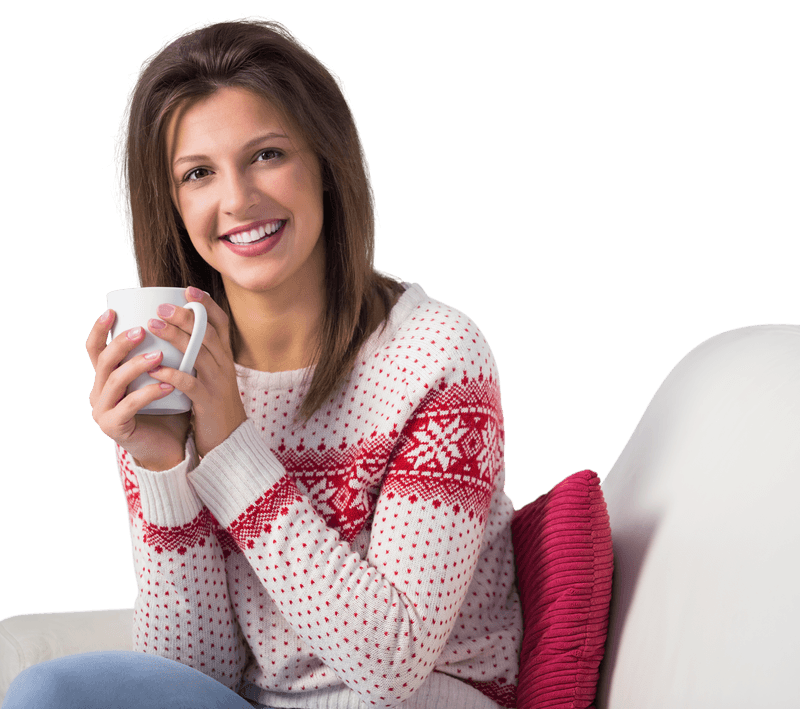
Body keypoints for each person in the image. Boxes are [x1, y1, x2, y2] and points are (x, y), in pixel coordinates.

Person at [4, 16, 521, 709]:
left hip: (429, 698)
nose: (238, 199)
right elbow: (194, 673)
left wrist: (233, 448)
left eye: (267, 154)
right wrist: (162, 468)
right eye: (198, 173)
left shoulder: (435, 357)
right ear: (174, 204)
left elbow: (393, 664)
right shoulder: (173, 367)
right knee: (46, 691)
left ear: (325, 163)